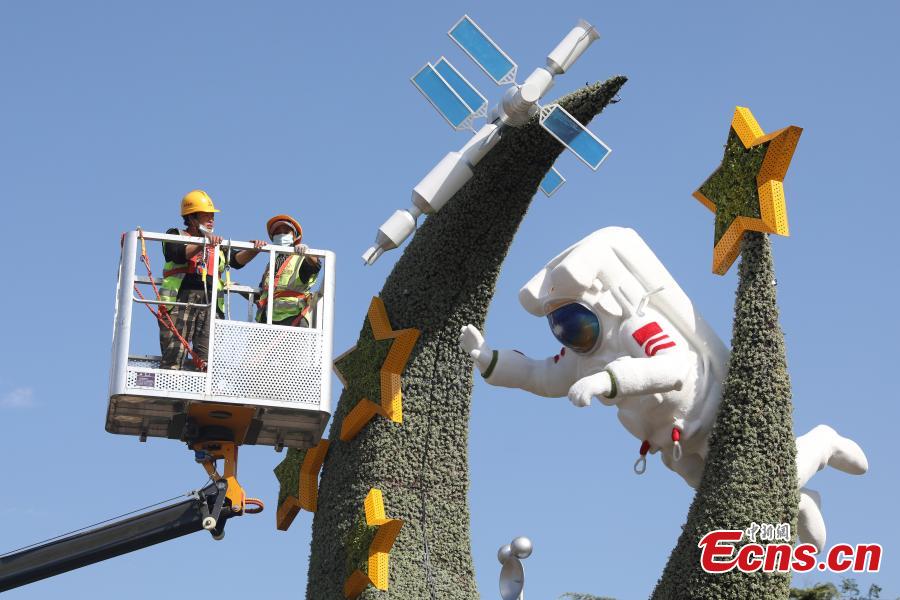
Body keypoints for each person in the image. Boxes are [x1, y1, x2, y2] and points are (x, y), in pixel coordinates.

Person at [159, 189, 266, 369]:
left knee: (207, 359)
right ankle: (172, 389)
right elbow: (177, 254)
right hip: (180, 300)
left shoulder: (216, 244)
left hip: (211, 303)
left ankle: (200, 394)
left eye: (212, 216)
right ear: (192, 218)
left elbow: (236, 261)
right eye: (206, 216)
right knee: (174, 354)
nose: (211, 220)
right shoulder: (175, 234)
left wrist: (254, 250)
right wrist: (203, 242)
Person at [255, 214, 321, 327]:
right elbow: (262, 293)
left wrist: (308, 253)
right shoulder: (271, 263)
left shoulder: (300, 258)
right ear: (272, 237)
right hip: (268, 319)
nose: (281, 234)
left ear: (295, 237)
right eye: (277, 232)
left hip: (294, 317)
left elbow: (315, 265)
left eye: (286, 232)